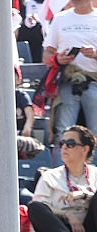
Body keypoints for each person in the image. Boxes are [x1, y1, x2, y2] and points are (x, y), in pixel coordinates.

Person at [27, 125, 97, 232]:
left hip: (90, 228)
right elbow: (42, 206)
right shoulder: (49, 176)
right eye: (62, 143)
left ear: (85, 149)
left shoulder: (95, 174)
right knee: (35, 207)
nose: (64, 147)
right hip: (60, 231)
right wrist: (67, 215)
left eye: (70, 144)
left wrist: (82, 195)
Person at [43, 0, 97, 142]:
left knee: (95, 133)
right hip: (66, 82)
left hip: (94, 83)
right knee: (63, 132)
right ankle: (62, 163)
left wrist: (95, 54)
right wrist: (57, 59)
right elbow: (47, 55)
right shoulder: (60, 18)